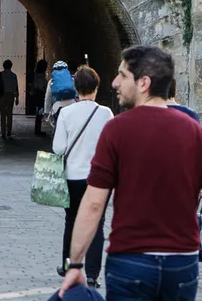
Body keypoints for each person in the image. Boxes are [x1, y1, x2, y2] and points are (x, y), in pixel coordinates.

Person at [59, 45, 202, 300]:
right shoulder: (194, 133)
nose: (115, 82)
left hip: (130, 260)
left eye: (123, 75)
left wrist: (76, 265)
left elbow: (94, 204)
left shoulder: (117, 130)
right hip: (180, 265)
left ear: (143, 83)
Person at [53, 66, 114, 288]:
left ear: (76, 89)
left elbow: (58, 148)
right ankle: (92, 274)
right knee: (97, 224)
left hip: (73, 176)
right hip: (99, 177)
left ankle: (68, 265)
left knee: (71, 221)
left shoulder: (66, 113)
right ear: (96, 88)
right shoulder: (106, 113)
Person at [0, 59, 19, 139]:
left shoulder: (0, 74)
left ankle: (3, 132)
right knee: (9, 114)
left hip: (2, 95)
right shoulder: (14, 75)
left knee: (2, 114)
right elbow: (16, 87)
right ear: (11, 66)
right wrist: (17, 97)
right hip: (11, 95)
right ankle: (9, 130)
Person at [31, 59, 48, 135]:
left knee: (39, 112)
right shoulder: (41, 74)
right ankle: (37, 130)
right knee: (40, 112)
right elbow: (42, 84)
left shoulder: (35, 74)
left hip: (37, 94)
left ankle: (37, 129)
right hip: (40, 94)